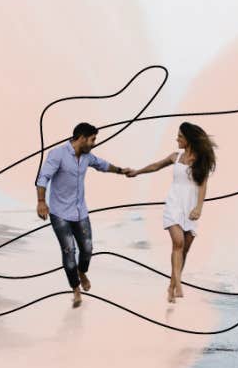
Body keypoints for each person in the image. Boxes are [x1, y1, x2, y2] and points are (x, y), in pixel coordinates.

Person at [35, 122, 131, 307]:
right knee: (69, 250)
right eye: (93, 139)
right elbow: (43, 177)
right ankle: (76, 290)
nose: (94, 143)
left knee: (87, 249)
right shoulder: (58, 154)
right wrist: (41, 201)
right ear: (82, 138)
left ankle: (82, 271)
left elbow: (102, 165)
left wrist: (121, 171)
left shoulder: (87, 156)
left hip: (80, 211)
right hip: (60, 213)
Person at [126, 122, 216, 303]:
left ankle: (171, 286)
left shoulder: (201, 160)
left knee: (185, 250)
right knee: (178, 242)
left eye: (180, 136)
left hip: (190, 208)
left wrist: (199, 208)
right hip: (173, 204)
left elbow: (203, 185)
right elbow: (155, 166)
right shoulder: (175, 156)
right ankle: (179, 285)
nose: (177, 139)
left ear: (189, 139)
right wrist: (137, 172)